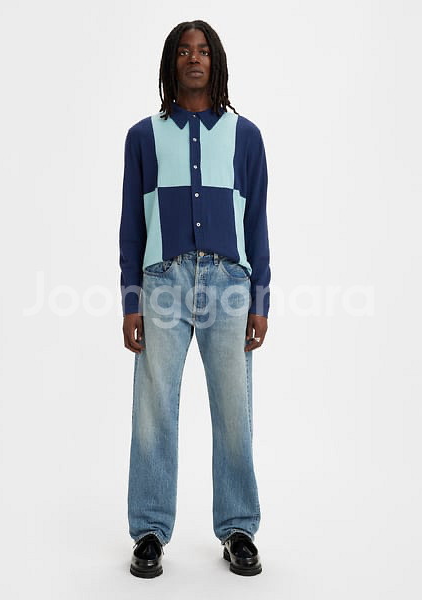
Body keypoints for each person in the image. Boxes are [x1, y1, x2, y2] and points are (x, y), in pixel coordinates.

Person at [119, 20, 271, 578]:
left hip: (230, 283)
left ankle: (238, 528)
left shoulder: (245, 135)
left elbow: (256, 220)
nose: (194, 58)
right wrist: (131, 301)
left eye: (203, 51)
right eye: (184, 51)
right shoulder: (144, 136)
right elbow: (132, 225)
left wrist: (260, 299)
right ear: (171, 63)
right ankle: (149, 530)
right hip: (163, 281)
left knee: (234, 408)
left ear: (216, 61)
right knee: (154, 407)